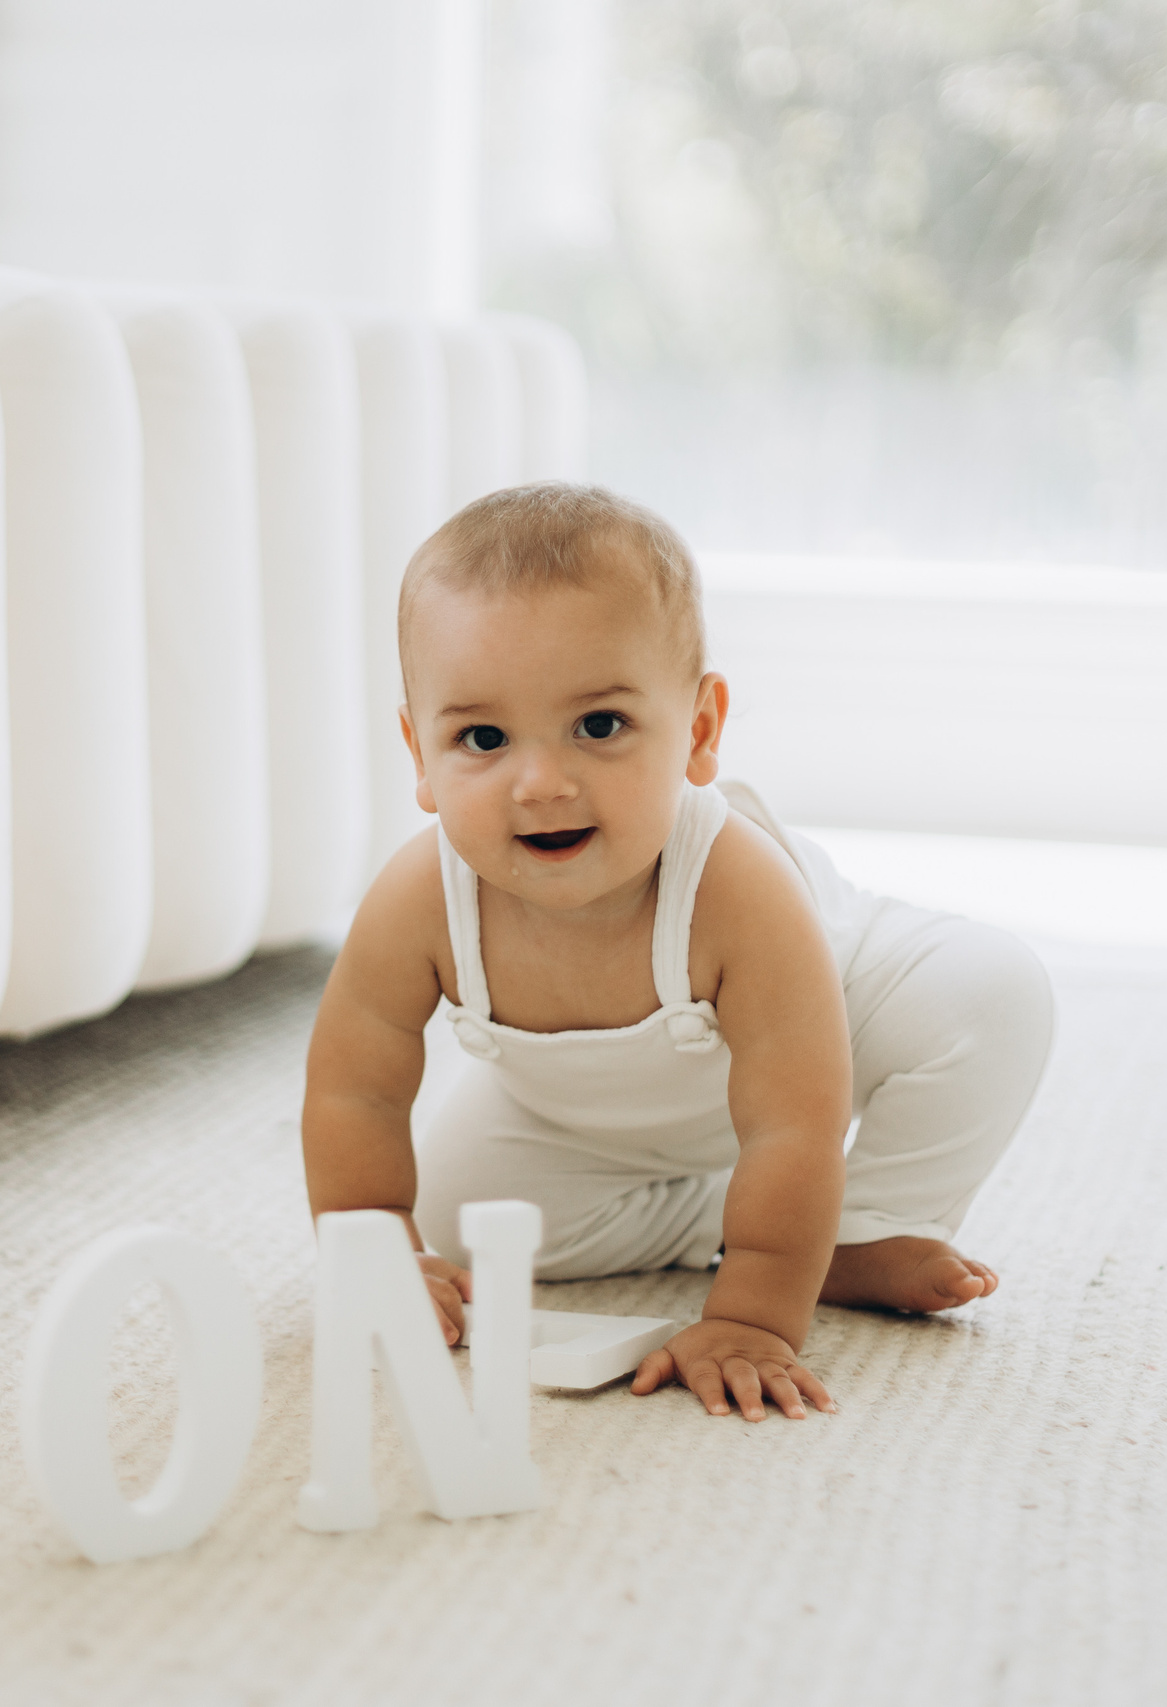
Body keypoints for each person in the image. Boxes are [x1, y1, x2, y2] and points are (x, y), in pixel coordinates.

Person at [299, 483, 1055, 1421]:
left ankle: (861, 1226)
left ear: (697, 731)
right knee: (466, 1227)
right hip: (578, 1117)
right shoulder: (420, 900)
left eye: (600, 726)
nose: (541, 782)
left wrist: (755, 1311)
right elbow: (354, 1092)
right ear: (420, 753)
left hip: (817, 1039)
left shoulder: (733, 885)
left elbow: (793, 1121)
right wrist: (375, 1248)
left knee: (992, 994)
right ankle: (726, 1215)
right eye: (483, 738)